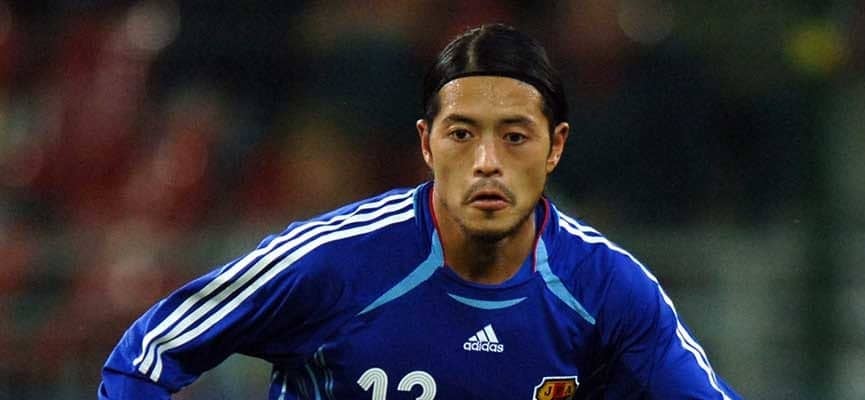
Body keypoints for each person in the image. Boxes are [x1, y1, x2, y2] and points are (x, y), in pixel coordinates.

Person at [99, 23, 742, 399]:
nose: (487, 162)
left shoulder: (606, 288)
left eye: (515, 136)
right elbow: (147, 354)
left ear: (556, 147)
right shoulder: (334, 263)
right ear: (427, 145)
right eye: (462, 134)